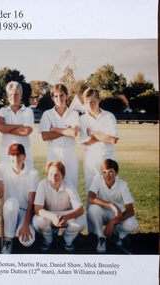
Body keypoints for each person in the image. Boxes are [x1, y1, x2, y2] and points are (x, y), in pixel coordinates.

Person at [0, 143, 39, 254]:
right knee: (12, 202)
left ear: (24, 156)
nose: (16, 159)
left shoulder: (33, 174)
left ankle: (28, 229)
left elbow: (31, 203)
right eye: (12, 155)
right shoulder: (4, 167)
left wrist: (25, 224)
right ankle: (9, 240)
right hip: (8, 209)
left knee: (27, 242)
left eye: (19, 155)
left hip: (24, 212)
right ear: (9, 157)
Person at [79, 88, 119, 233]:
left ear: (99, 100)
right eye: (87, 103)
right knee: (92, 193)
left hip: (108, 157)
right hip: (91, 159)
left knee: (112, 192)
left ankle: (115, 230)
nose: (90, 106)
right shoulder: (83, 119)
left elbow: (113, 139)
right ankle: (93, 232)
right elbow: (86, 142)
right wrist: (103, 136)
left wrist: (93, 133)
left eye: (93, 102)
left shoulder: (109, 116)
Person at [33, 161, 86, 252]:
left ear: (63, 175)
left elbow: (80, 209)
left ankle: (67, 239)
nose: (53, 178)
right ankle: (48, 239)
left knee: (81, 221)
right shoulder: (42, 184)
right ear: (47, 174)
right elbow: (37, 208)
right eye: (50, 174)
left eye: (57, 175)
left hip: (65, 214)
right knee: (37, 221)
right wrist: (53, 217)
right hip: (49, 214)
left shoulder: (68, 185)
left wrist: (67, 217)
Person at [87, 159, 138, 253]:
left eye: (110, 172)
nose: (107, 175)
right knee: (93, 208)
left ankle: (114, 234)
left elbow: (130, 210)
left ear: (116, 173)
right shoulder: (98, 180)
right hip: (102, 213)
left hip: (116, 215)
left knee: (133, 223)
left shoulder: (122, 185)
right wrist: (111, 204)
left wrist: (113, 222)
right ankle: (101, 238)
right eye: (104, 172)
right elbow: (90, 198)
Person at [38, 83, 79, 190]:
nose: (59, 98)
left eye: (61, 95)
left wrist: (54, 129)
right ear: (52, 98)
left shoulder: (73, 113)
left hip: (69, 153)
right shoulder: (47, 114)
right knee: (53, 185)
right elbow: (45, 136)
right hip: (53, 152)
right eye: (56, 96)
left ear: (66, 96)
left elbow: (74, 132)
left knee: (71, 184)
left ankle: (71, 206)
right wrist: (66, 130)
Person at [0, 81, 34, 168]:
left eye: (16, 94)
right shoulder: (3, 111)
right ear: (7, 96)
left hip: (24, 152)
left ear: (21, 95)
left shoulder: (28, 111)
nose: (13, 97)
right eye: (10, 94)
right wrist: (19, 126)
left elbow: (27, 130)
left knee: (26, 179)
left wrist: (6, 129)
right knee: (6, 180)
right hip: (6, 153)